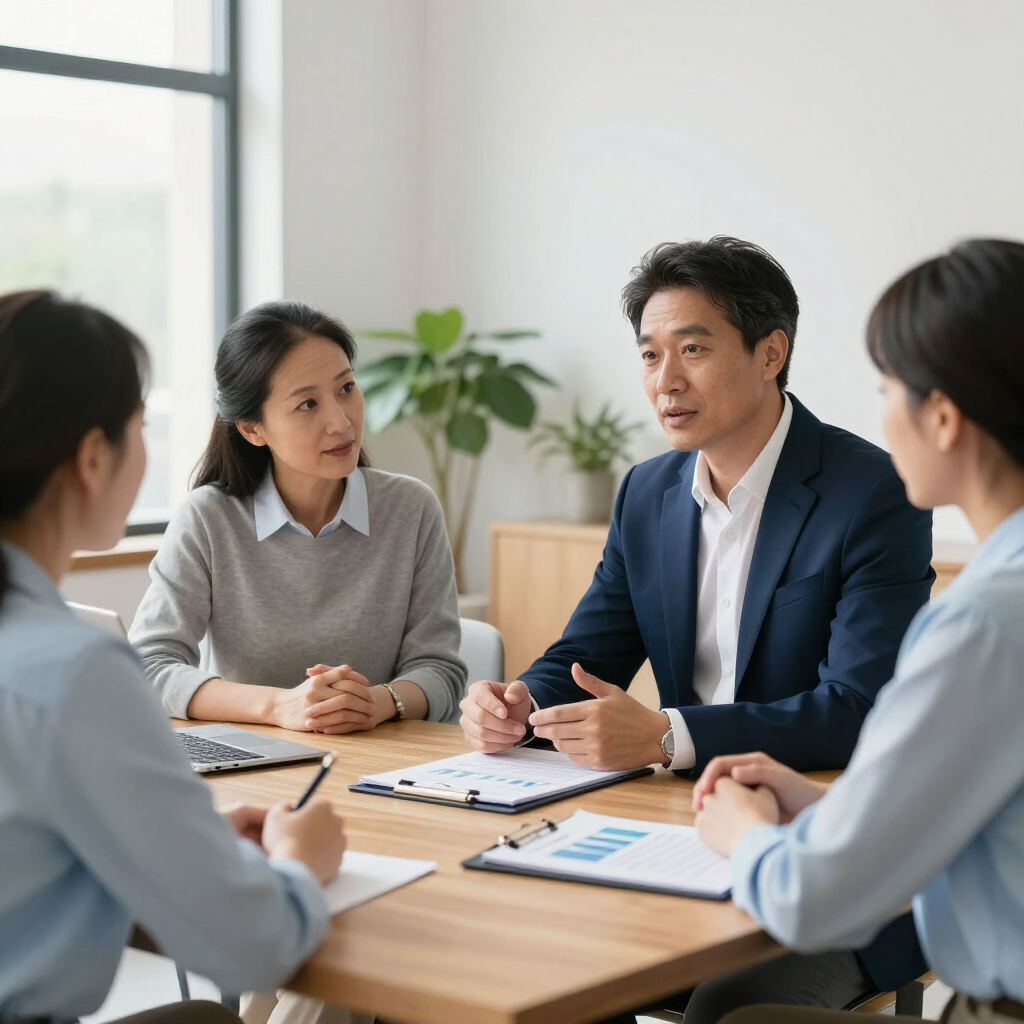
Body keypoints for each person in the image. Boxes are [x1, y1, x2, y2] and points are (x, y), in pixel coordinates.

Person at [460, 237, 933, 1021]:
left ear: (770, 352)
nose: (665, 382)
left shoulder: (872, 490)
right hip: (679, 836)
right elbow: (585, 652)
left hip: (830, 864)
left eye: (692, 350)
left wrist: (665, 735)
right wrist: (517, 703)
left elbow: (857, 708)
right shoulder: (647, 492)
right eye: (649, 355)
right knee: (539, 970)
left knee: (724, 1007)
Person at [693, 238, 1024, 1024]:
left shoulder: (983, 619)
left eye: (886, 388)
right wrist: (825, 808)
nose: (880, 415)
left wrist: (744, 834)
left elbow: (810, 904)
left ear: (942, 415)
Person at [0, 290, 346, 1024]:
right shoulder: (74, 671)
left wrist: (178, 836)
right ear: (95, 457)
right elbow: (252, 946)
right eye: (139, 428)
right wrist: (300, 864)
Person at [130, 299, 466, 734]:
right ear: (253, 429)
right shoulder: (209, 518)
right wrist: (278, 706)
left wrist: (375, 703)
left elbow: (440, 669)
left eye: (346, 388)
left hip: (382, 762)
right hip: (252, 766)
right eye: (307, 404)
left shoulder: (411, 509)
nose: (340, 421)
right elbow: (148, 664)